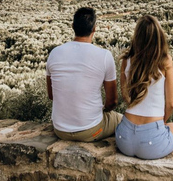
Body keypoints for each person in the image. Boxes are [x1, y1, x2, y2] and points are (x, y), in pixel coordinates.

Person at [46, 7, 122, 141]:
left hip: (60, 130)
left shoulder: (54, 53)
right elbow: (112, 102)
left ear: (72, 26)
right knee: (125, 121)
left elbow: (52, 96)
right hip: (90, 130)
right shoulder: (104, 56)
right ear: (94, 28)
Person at [115, 14, 173, 159]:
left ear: (136, 37)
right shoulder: (165, 61)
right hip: (152, 143)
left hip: (123, 139)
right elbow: (171, 103)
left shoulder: (126, 60)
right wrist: (160, 123)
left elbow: (126, 97)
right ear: (159, 36)